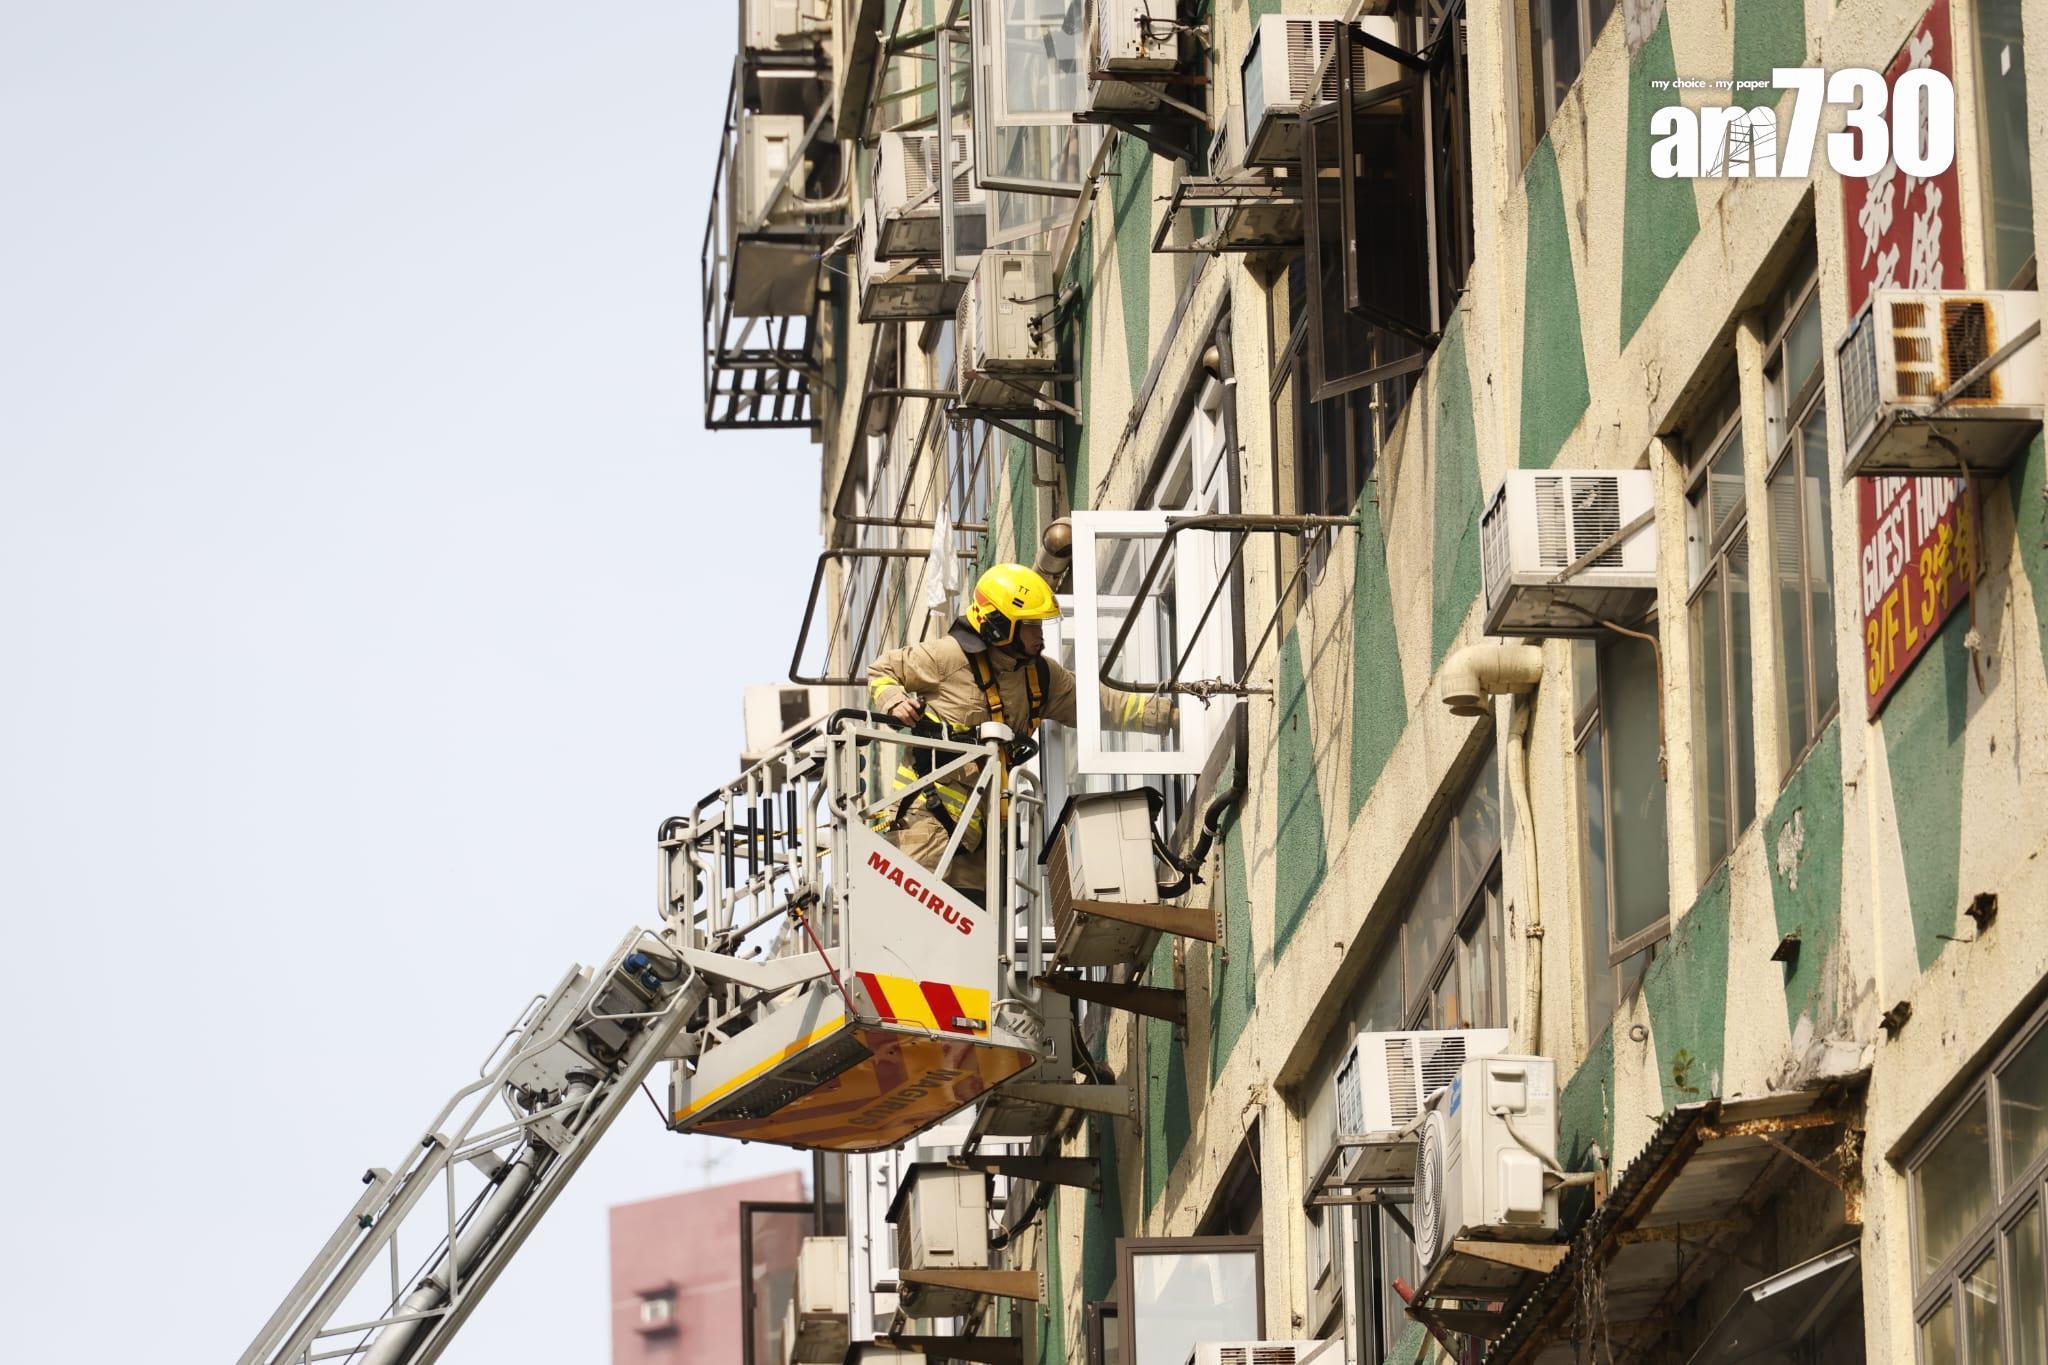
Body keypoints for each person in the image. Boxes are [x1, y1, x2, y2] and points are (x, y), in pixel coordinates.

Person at [866, 563, 1172, 893]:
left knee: (974, 939)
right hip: (923, 825)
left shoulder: (1042, 678)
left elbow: (1102, 705)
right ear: (999, 626)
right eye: (1030, 625)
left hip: (984, 844)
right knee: (909, 928)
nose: (1039, 634)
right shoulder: (948, 656)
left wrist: (1171, 716)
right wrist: (894, 700)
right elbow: (882, 670)